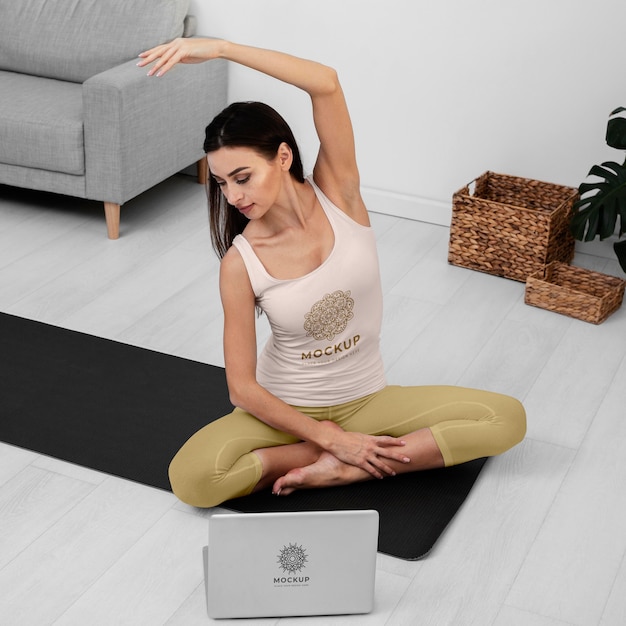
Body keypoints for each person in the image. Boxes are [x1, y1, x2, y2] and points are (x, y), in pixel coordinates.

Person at [137, 38, 526, 508]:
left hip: (367, 400)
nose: (233, 196)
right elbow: (241, 389)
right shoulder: (240, 262)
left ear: (282, 157)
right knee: (193, 480)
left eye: (242, 177)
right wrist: (328, 436)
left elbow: (326, 83)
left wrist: (221, 48)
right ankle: (325, 451)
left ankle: (342, 471)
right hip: (286, 414)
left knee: (507, 419)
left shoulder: (339, 193)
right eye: (221, 183)